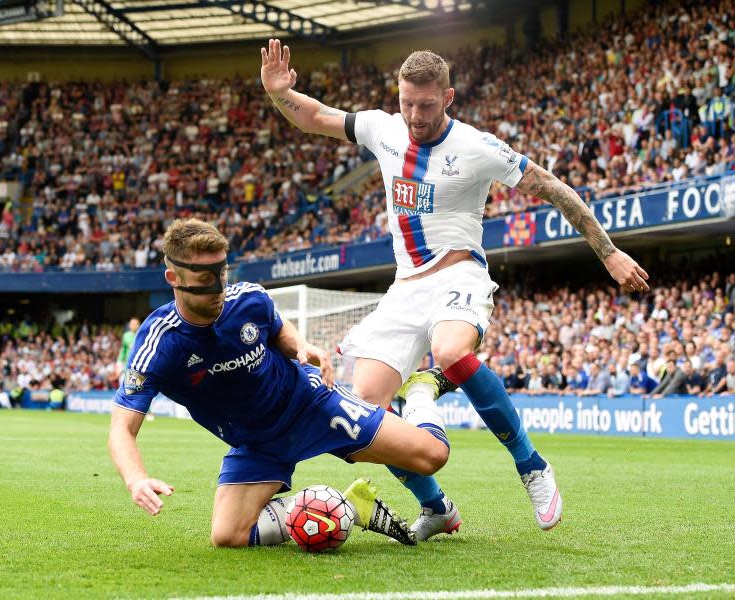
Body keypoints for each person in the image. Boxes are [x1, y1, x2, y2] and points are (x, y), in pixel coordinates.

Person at [261, 40, 650, 536]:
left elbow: (555, 189)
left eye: (425, 104)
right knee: (365, 417)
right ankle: (438, 507)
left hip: (458, 273)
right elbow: (314, 116)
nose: (414, 115)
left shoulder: (476, 148)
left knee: (449, 352)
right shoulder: (384, 128)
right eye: (406, 102)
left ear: (448, 97)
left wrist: (609, 252)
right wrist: (279, 94)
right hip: (404, 289)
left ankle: (530, 463)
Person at [108, 219, 453, 548]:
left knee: (433, 455)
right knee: (227, 535)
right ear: (174, 277)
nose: (218, 290)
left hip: (312, 404)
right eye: (205, 279)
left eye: (222, 274)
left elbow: (278, 328)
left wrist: (300, 345)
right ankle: (345, 508)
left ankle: (422, 390)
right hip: (257, 443)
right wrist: (136, 479)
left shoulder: (248, 299)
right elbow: (122, 427)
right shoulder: (159, 343)